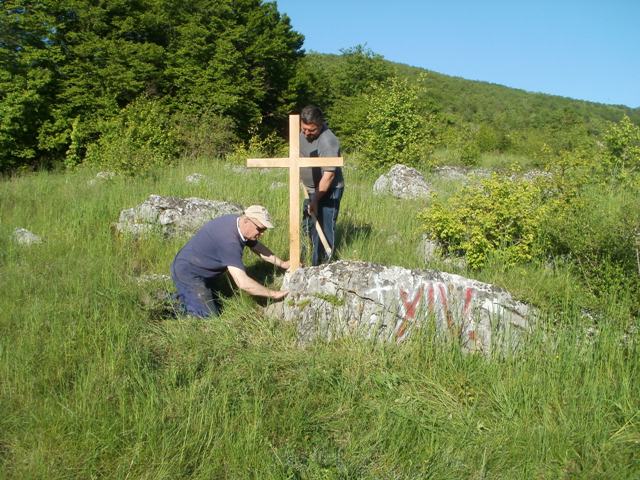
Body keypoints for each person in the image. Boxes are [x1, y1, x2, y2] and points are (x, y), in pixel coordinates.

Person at [170, 205, 289, 318]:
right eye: (260, 229)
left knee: (212, 300)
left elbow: (257, 247)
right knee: (208, 316)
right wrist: (274, 294)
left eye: (264, 229)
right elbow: (243, 283)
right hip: (188, 272)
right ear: (247, 221)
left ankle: (183, 298)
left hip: (201, 269)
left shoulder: (237, 224)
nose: (262, 234)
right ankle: (169, 306)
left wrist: (283, 264)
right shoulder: (229, 242)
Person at [299, 105, 344, 266]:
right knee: (308, 226)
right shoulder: (303, 134)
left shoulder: (328, 141)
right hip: (309, 190)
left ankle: (324, 267)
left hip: (329, 190)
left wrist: (315, 200)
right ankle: (306, 264)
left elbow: (329, 175)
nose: (306, 133)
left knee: (324, 229)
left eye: (311, 130)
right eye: (304, 129)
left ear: (320, 124)